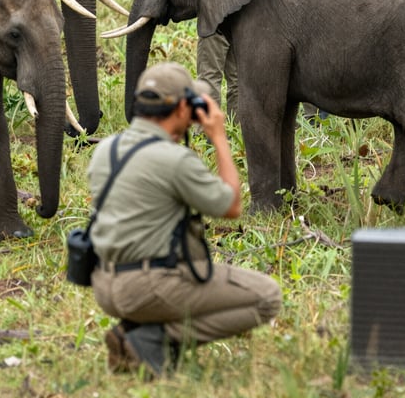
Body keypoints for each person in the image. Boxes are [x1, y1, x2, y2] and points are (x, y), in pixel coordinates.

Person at [88, 62, 281, 377]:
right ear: (181, 108)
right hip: (147, 288)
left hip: (105, 284)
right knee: (267, 297)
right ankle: (152, 339)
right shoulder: (174, 160)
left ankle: (135, 330)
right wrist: (219, 137)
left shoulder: (106, 150)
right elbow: (231, 206)